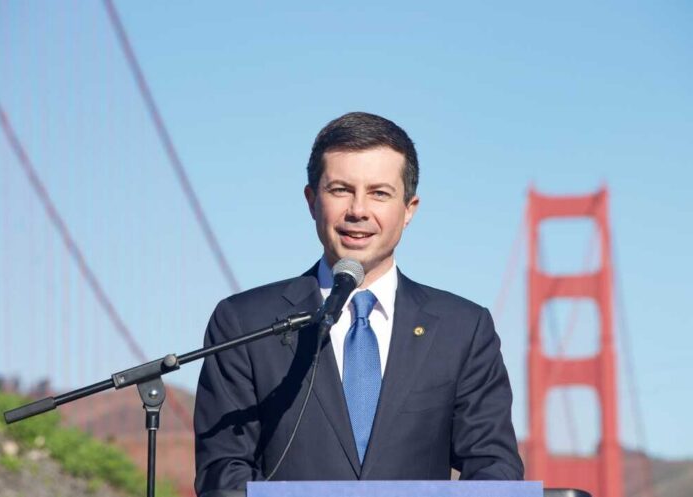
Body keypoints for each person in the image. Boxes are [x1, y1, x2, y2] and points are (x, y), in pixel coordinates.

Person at [194, 112, 523, 494]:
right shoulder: (243, 323)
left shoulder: (463, 329)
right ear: (311, 200)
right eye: (340, 190)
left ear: (409, 208)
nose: (358, 210)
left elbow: (494, 466)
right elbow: (222, 471)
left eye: (379, 193)